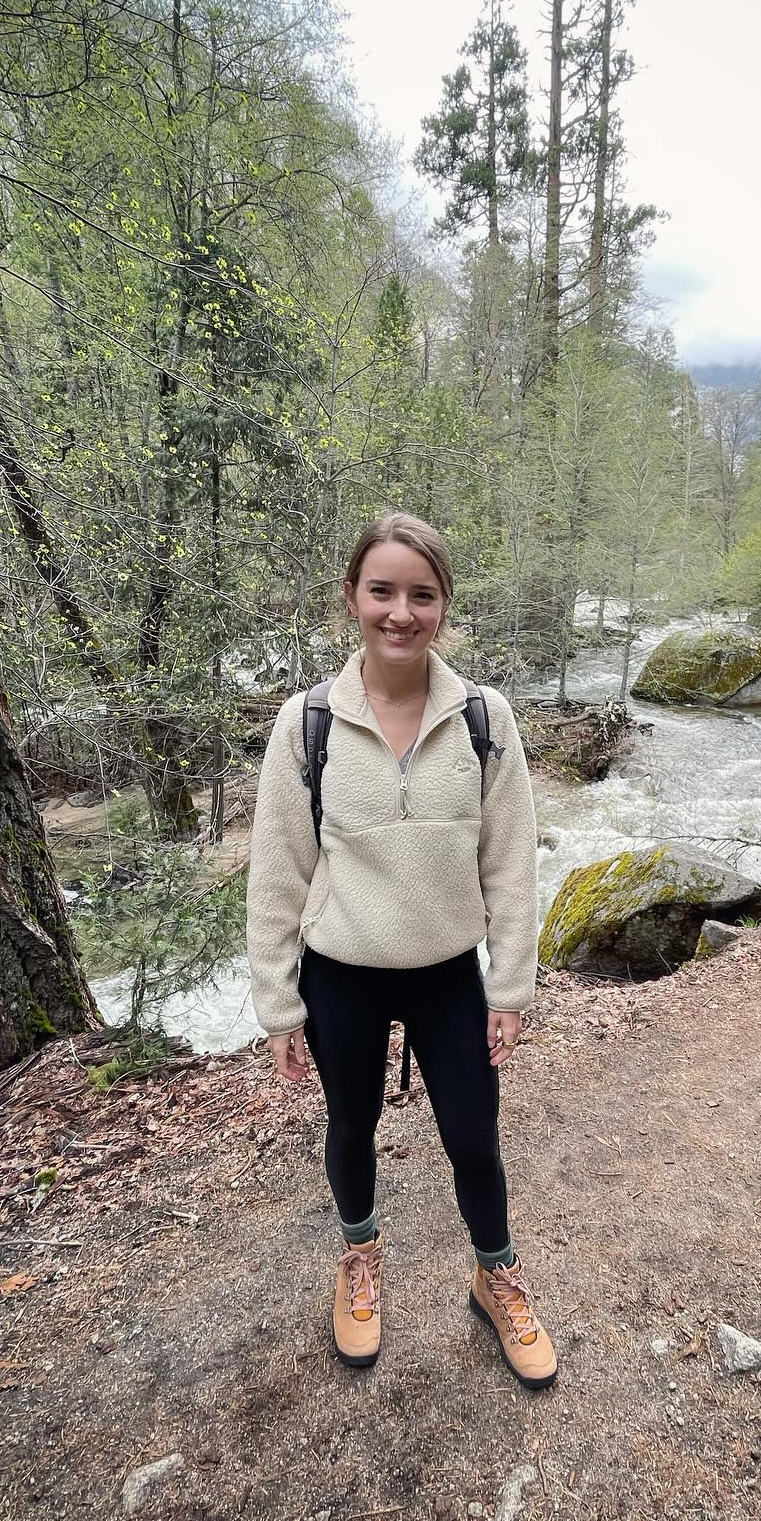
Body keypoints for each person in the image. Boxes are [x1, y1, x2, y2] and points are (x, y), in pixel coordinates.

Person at [246, 511, 556, 1388]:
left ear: (443, 606)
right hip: (340, 976)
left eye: (421, 595)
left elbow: (510, 862)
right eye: (381, 591)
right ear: (352, 598)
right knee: (351, 1127)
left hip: (449, 981)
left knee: (475, 1140)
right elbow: (276, 872)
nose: (400, 612)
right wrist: (278, 1004)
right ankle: (358, 1257)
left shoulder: (485, 721)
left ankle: (494, 1274)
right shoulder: (305, 725)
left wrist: (511, 987)